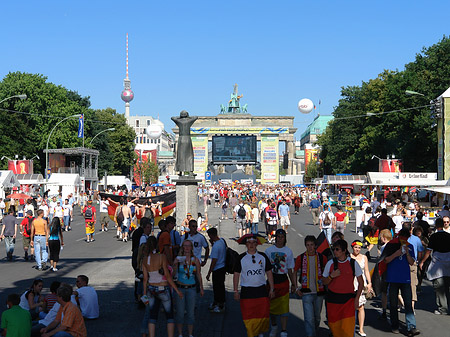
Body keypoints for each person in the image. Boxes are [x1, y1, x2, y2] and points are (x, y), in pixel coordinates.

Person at [233, 234, 275, 337]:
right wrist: (235, 291)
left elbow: (269, 272)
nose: (251, 245)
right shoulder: (241, 258)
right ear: (246, 244)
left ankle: (260, 332)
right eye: (249, 243)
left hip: (261, 290)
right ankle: (251, 333)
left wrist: (272, 289)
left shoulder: (263, 256)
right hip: (247, 292)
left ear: (257, 244)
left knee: (262, 314)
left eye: (253, 243)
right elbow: (236, 275)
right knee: (248, 315)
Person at [142, 236, 183, 337]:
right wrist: (177, 290)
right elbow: (168, 276)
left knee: (152, 316)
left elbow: (145, 279)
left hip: (151, 288)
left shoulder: (145, 259)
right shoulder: (161, 257)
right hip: (163, 288)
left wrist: (144, 294)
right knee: (169, 316)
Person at [381, 228, 419, 336]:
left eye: (406, 238)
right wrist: (396, 253)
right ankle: (394, 325)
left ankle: (411, 326)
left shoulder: (409, 246)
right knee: (393, 304)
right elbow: (385, 260)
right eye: (402, 238)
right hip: (393, 278)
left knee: (408, 303)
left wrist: (407, 253)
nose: (404, 240)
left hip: (405, 279)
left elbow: (412, 262)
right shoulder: (391, 245)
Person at [322, 239, 364, 337]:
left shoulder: (353, 263)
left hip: (348, 301)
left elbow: (361, 283)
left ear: (344, 251)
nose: (335, 251)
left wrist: (357, 299)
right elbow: (324, 281)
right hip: (333, 301)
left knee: (347, 330)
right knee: (335, 329)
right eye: (334, 249)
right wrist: (331, 276)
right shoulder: (330, 263)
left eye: (337, 249)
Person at [294, 235, 328, 337]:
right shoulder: (301, 257)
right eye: (307, 245)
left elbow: (327, 271)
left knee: (317, 317)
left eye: (312, 245)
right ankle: (311, 334)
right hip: (306, 292)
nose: (310, 247)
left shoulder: (322, 258)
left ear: (315, 246)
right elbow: (294, 271)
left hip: (319, 292)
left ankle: (315, 331)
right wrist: (296, 287)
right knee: (309, 319)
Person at [265, 229, 295, 337]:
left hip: (283, 281)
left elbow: (290, 270)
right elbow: (265, 268)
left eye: (282, 237)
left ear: (284, 239)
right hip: (272, 281)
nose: (280, 239)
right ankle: (274, 326)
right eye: (278, 237)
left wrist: (294, 284)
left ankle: (283, 330)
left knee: (284, 308)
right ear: (275, 238)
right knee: (272, 308)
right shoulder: (268, 251)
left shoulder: (288, 251)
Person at [419, 217, 450, 315]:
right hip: (448, 263)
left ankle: (443, 308)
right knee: (447, 287)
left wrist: (422, 261)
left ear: (436, 226)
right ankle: (446, 306)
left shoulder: (434, 236)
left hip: (437, 264)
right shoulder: (448, 236)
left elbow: (428, 251)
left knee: (439, 287)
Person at [173, 240, 204, 337]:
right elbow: (173, 275)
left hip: (191, 288)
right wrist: (174, 264)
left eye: (188, 246)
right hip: (180, 287)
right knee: (180, 313)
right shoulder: (178, 259)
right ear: (182, 247)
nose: (186, 248)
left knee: (191, 312)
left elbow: (198, 274)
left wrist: (201, 288)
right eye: (184, 246)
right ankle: (180, 333)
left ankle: (190, 334)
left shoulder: (195, 260)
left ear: (191, 248)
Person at [350, 240, 372, 337]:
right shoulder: (349, 257)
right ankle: (351, 326)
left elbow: (366, 270)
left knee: (361, 306)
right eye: (356, 247)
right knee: (351, 306)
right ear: (352, 248)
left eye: (359, 248)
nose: (357, 249)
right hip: (351, 283)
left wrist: (369, 283)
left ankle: (361, 328)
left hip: (361, 282)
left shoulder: (364, 257)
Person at [206, 227, 227, 313]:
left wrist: (209, 273)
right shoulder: (222, 241)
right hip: (223, 267)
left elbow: (214, 261)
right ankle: (219, 303)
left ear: (211, 235)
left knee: (217, 288)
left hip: (217, 268)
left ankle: (219, 304)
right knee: (221, 286)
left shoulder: (216, 246)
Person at [377, 229, 393, 320]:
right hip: (394, 270)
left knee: (384, 291)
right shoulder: (395, 245)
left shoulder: (384, 247)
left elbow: (382, 260)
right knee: (395, 291)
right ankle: (405, 306)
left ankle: (384, 309)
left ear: (383, 238)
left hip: (385, 270)